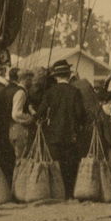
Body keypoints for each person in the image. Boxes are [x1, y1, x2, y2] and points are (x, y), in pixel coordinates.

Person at [39, 58, 87, 196]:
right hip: (71, 135)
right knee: (70, 166)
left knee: (56, 166)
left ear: (56, 77)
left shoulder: (50, 92)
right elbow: (80, 114)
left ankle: (57, 193)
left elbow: (41, 112)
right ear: (68, 75)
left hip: (53, 135)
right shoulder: (75, 92)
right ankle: (69, 193)